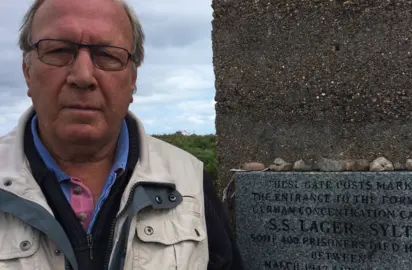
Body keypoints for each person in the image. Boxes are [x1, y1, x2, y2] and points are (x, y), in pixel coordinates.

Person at [0, 0, 244, 269]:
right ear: (27, 71)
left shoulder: (190, 183)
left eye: (107, 55)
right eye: (58, 50)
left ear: (132, 80)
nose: (83, 76)